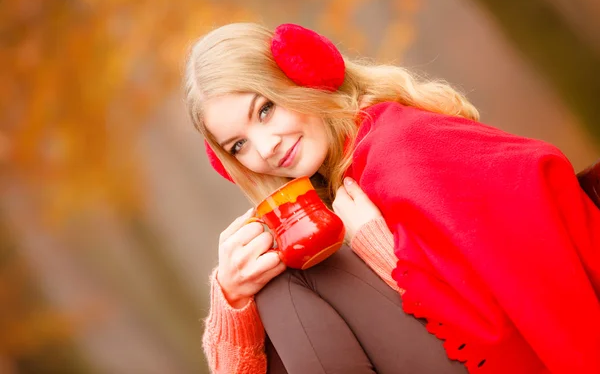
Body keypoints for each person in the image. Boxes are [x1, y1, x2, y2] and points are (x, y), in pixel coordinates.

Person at [184, 23, 600, 374]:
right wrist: (231, 302)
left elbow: (519, 302)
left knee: (286, 285)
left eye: (265, 109)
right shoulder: (324, 191)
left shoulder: (403, 147)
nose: (266, 147)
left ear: (303, 74)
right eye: (238, 145)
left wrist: (382, 252)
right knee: (267, 282)